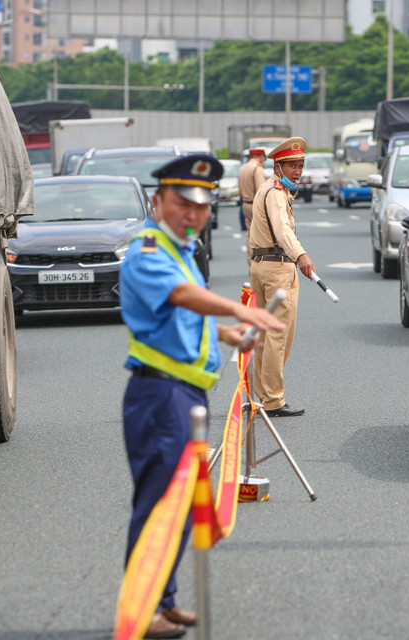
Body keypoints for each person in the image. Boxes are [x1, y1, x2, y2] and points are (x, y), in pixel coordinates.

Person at [119, 154, 285, 640]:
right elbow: (179, 298)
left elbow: (186, 322)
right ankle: (143, 608)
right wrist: (239, 309)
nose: (192, 213)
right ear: (158, 201)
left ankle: (164, 603)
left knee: (180, 505)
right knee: (156, 505)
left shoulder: (182, 249)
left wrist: (230, 336)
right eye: (182, 202)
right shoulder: (149, 249)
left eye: (202, 204)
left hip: (185, 394)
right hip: (158, 395)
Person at [246, 137, 315, 418]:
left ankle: (260, 396)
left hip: (261, 265)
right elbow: (283, 230)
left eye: (300, 166)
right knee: (278, 336)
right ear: (279, 166)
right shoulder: (275, 192)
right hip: (277, 269)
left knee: (265, 336)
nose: (297, 172)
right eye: (292, 166)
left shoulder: (268, 188)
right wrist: (301, 254)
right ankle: (273, 400)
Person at [238, 147, 268, 232]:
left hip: (245, 204)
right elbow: (261, 190)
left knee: (250, 234)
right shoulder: (257, 168)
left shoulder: (243, 168)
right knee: (260, 235)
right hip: (255, 205)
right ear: (261, 156)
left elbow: (240, 191)